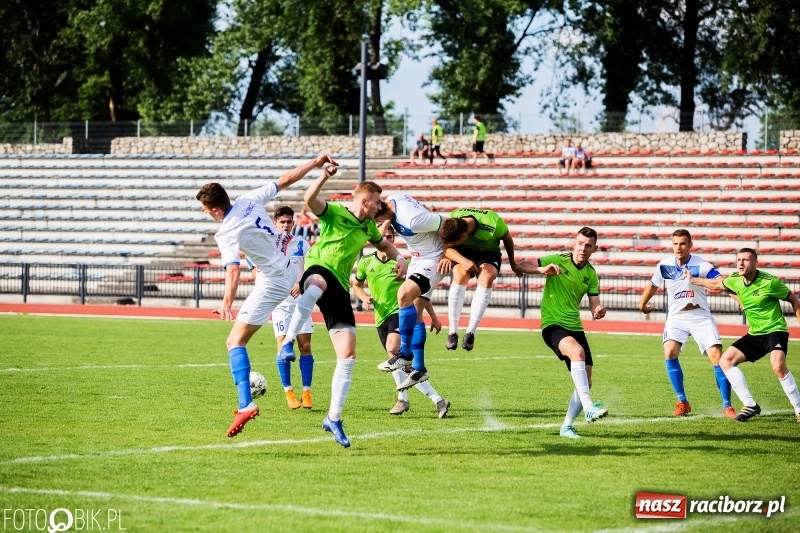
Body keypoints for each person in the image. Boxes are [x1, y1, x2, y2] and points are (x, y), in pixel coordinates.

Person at [195, 154, 337, 438]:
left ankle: (246, 404)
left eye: (205, 210)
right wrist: (315, 163)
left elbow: (233, 269)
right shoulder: (248, 200)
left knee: (235, 341)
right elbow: (286, 179)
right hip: (286, 267)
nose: (207, 214)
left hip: (273, 280)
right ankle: (285, 349)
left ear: (214, 210)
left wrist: (226, 304)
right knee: (241, 339)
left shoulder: (225, 232)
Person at [276, 178, 408, 447]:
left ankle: (333, 417)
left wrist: (401, 258)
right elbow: (309, 199)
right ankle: (287, 343)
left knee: (347, 355)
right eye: (377, 202)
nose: (379, 207)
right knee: (316, 285)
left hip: (339, 285)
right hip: (318, 267)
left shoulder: (368, 227)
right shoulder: (335, 212)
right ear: (364, 201)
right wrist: (323, 175)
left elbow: (386, 246)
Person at [686, 248, 800, 423]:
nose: (741, 263)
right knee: (725, 361)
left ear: (755, 263)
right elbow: (717, 284)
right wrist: (693, 280)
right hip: (755, 333)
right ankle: (750, 404)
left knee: (778, 366)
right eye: (739, 259)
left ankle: (798, 409)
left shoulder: (770, 282)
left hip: (775, 330)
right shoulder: (735, 280)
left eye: (745, 260)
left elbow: (794, 300)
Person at [516, 227, 609, 438]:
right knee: (577, 352)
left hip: (575, 327)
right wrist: (542, 270)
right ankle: (588, 407)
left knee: (586, 382)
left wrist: (598, 310)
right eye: (580, 244)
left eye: (588, 246)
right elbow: (520, 266)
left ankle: (566, 426)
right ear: (574, 244)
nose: (583, 249)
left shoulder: (591, 274)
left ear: (594, 249)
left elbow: (594, 303)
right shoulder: (558, 259)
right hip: (553, 325)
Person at [352, 224, 450, 418]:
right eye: (383, 237)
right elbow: (356, 285)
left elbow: (418, 294)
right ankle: (439, 401)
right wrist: (364, 298)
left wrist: (433, 316)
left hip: (401, 314)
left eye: (390, 236)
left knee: (393, 349)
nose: (387, 239)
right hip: (380, 317)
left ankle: (402, 400)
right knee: (405, 368)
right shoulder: (365, 262)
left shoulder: (403, 263)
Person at [638, 229, 735, 419]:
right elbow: (653, 285)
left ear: (690, 245)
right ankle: (682, 401)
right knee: (669, 352)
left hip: (701, 317)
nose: (678, 247)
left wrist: (740, 301)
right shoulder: (664, 265)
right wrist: (642, 304)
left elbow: (722, 283)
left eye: (682, 243)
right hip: (676, 318)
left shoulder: (702, 265)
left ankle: (727, 405)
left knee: (717, 357)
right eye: (675, 243)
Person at [374, 194, 452, 390]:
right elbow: (378, 236)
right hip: (418, 259)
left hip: (433, 259)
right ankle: (419, 368)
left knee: (404, 295)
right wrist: (384, 219)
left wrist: (447, 254)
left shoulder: (412, 220)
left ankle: (406, 353)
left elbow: (448, 223)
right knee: (415, 313)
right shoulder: (394, 199)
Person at [439, 207, 521, 352]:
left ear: (464, 236)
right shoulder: (453, 219)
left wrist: (513, 263)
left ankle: (470, 332)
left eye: (456, 242)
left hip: (488, 253)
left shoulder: (495, 223)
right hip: (464, 252)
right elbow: (447, 246)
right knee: (460, 275)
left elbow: (508, 239)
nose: (453, 245)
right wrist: (459, 259)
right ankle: (452, 332)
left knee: (486, 277)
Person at [271, 206, 315, 410]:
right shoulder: (270, 246)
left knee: (305, 346)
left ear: (294, 223)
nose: (286, 225)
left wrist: (302, 283)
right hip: (281, 305)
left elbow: (311, 270)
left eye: (289, 222)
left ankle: (306, 391)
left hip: (301, 303)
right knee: (283, 348)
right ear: (275, 223)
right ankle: (288, 391)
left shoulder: (302, 244)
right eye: (282, 222)